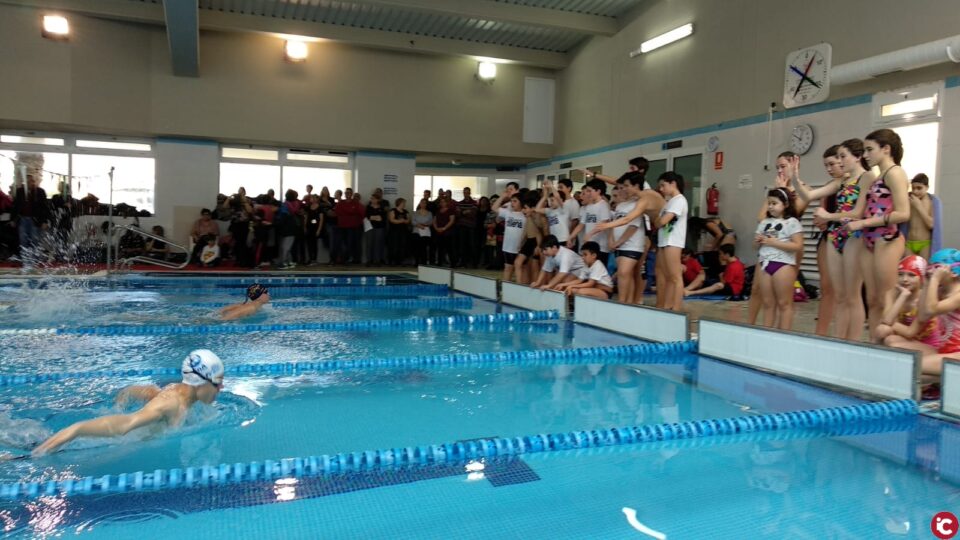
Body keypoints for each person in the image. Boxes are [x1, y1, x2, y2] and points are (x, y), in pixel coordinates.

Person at [31, 350, 225, 457]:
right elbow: (125, 425)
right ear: (200, 381)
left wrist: (124, 396)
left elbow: (149, 391)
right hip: (111, 445)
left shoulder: (181, 392)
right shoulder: (168, 405)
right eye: (217, 382)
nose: (221, 388)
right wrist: (73, 431)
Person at [819, 129, 910, 340]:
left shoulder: (896, 172)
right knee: (872, 299)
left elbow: (903, 213)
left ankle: (888, 345)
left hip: (887, 238)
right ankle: (873, 344)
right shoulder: (878, 176)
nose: (866, 154)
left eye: (870, 149)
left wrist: (863, 223)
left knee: (885, 298)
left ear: (886, 149)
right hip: (870, 239)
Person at [798, 141, 869, 340]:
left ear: (857, 156)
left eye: (841, 157)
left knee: (853, 295)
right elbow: (809, 195)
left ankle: (853, 341)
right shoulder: (842, 181)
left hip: (854, 235)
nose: (838, 162)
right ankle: (838, 339)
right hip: (834, 236)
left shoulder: (867, 177)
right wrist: (795, 178)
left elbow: (858, 213)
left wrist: (828, 217)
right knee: (840, 296)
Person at [897, 249, 960, 377]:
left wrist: (935, 280)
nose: (932, 272)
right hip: (944, 351)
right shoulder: (940, 292)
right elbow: (923, 315)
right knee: (895, 346)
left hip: (957, 355)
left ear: (953, 272)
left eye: (936, 268)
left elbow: (931, 309)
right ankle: (937, 381)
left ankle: (937, 385)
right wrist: (926, 284)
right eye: (930, 269)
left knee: (914, 365)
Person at [754, 188, 804, 330]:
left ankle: (784, 335)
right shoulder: (764, 223)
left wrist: (774, 242)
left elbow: (798, 245)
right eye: (769, 203)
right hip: (765, 263)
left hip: (783, 265)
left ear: (785, 205)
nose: (770, 206)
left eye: (774, 203)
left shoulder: (792, 222)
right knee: (768, 304)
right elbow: (754, 246)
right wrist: (757, 241)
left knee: (784, 303)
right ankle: (767, 334)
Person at [876, 255, 943, 349]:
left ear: (922, 278)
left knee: (892, 342)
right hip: (907, 339)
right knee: (881, 330)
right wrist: (903, 296)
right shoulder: (891, 293)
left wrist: (889, 322)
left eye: (911, 275)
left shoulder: (925, 297)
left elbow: (909, 333)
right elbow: (886, 321)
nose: (905, 279)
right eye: (900, 274)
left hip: (929, 344)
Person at [656, 172, 688, 311]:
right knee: (667, 276)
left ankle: (676, 308)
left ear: (673, 183)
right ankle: (667, 306)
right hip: (664, 240)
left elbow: (662, 221)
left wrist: (659, 222)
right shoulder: (668, 203)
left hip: (673, 241)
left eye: (663, 185)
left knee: (675, 277)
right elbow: (657, 222)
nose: (661, 189)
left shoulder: (680, 200)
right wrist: (659, 222)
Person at [567, 180, 612, 264]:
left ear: (598, 191)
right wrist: (571, 237)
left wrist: (589, 234)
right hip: (589, 245)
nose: (587, 193)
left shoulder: (603, 205)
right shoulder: (588, 207)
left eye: (589, 191)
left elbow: (603, 224)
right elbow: (581, 225)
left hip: (601, 247)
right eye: (587, 191)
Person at [902, 173, 941, 259]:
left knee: (923, 270)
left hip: (925, 243)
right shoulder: (908, 200)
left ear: (927, 187)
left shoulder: (931, 202)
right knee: (908, 270)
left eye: (919, 188)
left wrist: (919, 206)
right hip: (909, 243)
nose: (915, 191)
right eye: (913, 188)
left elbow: (931, 225)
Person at [492, 185, 525, 283]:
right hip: (507, 246)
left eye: (515, 201)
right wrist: (502, 197)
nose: (512, 203)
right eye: (512, 201)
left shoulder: (525, 215)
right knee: (507, 268)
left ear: (521, 203)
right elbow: (494, 207)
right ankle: (506, 289)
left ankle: (520, 288)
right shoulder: (508, 213)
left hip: (519, 247)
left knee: (520, 269)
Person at [387, 198, 410, 265]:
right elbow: (391, 220)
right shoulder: (393, 211)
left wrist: (403, 221)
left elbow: (408, 220)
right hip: (394, 232)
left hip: (403, 231)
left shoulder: (406, 211)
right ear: (399, 203)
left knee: (402, 246)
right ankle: (392, 261)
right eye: (403, 203)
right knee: (394, 246)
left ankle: (400, 261)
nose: (404, 204)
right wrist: (401, 221)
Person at [411, 199, 433, 265]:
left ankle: (424, 262)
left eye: (425, 203)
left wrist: (425, 225)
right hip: (416, 231)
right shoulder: (415, 212)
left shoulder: (429, 213)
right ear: (420, 204)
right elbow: (413, 221)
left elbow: (431, 222)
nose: (423, 204)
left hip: (425, 232)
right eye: (422, 203)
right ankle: (416, 262)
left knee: (424, 248)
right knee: (416, 248)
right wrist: (419, 225)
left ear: (426, 204)